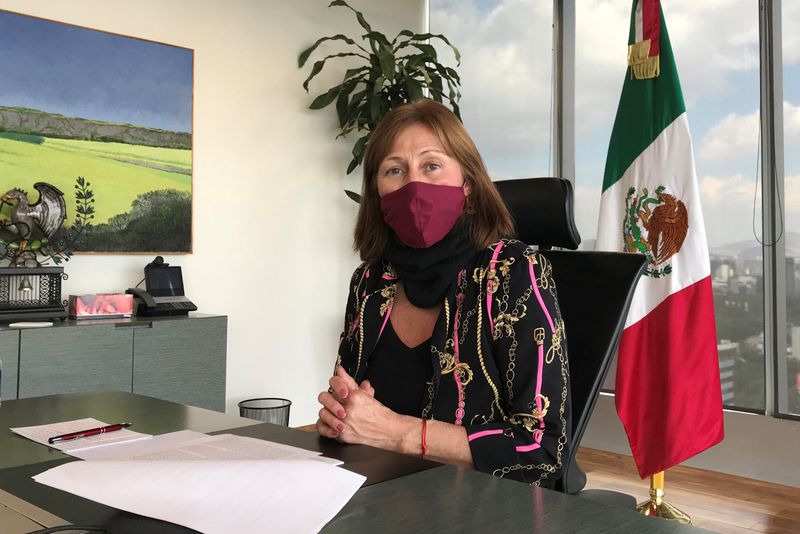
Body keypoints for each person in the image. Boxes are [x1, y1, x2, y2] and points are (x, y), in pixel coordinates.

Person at [316, 99, 570, 487]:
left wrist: (399, 432)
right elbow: (351, 409)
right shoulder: (369, 282)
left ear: (467, 183)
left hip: (479, 508)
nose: (413, 185)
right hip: (373, 496)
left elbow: (541, 451)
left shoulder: (515, 273)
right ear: (378, 193)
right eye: (394, 170)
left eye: (431, 166)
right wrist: (339, 417)